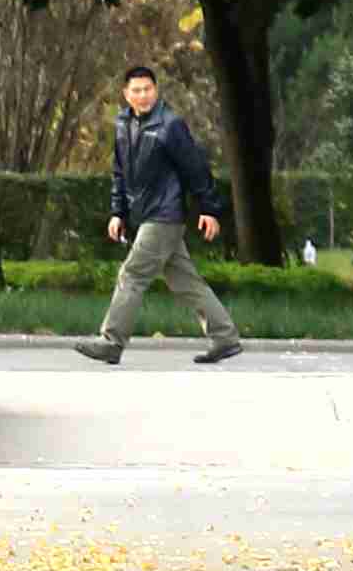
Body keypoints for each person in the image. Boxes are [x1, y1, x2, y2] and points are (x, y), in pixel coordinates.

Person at [83, 63, 245, 366]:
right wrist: (117, 212)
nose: (143, 95)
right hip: (143, 216)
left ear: (155, 91)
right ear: (126, 94)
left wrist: (209, 208)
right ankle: (225, 336)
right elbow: (119, 173)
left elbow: (195, 169)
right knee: (185, 281)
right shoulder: (122, 125)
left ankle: (111, 340)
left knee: (132, 274)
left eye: (148, 89)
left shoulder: (170, 125)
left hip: (164, 215)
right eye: (136, 90)